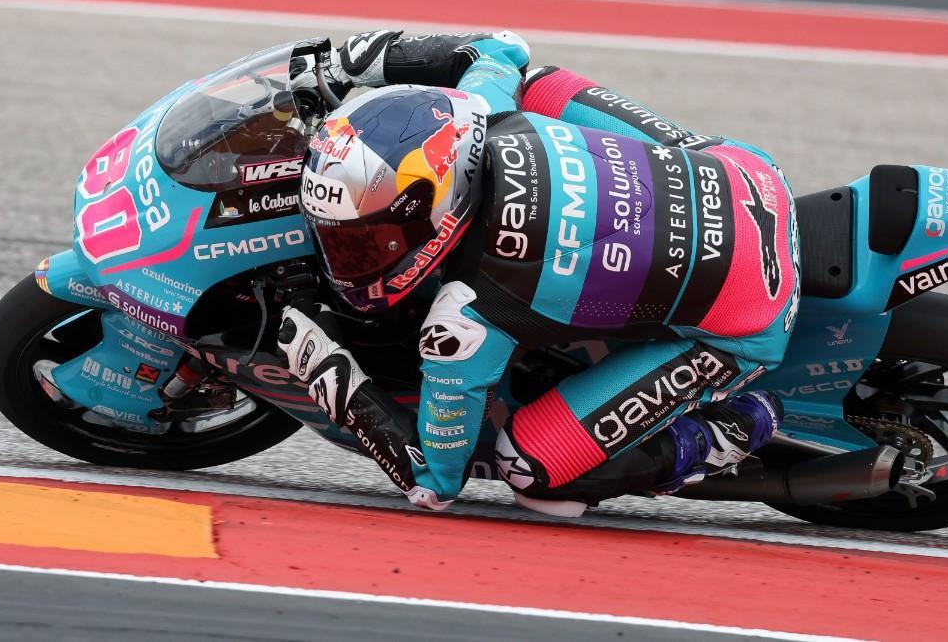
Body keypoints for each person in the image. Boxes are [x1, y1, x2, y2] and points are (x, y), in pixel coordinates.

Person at [276, 30, 800, 516]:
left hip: (753, 316)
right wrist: (351, 63)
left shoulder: (466, 316)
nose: (347, 256)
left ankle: (723, 433)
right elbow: (497, 48)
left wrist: (328, 370)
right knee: (540, 86)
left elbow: (434, 482)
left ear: (431, 214)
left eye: (369, 239)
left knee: (530, 469)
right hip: (752, 177)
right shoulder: (488, 110)